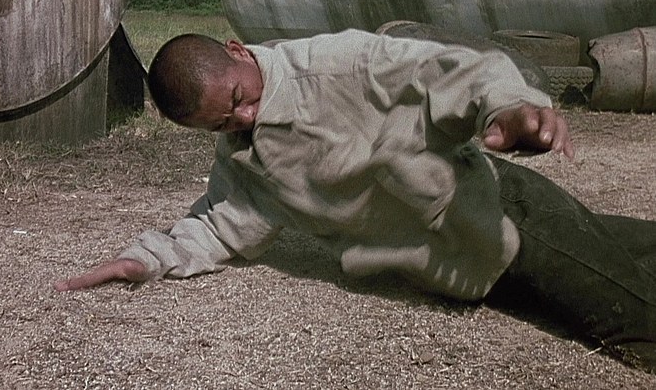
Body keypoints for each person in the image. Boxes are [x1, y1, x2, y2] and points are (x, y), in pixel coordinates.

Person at [53, 29, 655, 372]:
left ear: (237, 51)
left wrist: (508, 106)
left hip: (504, 219)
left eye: (239, 98)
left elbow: (448, 69)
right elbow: (219, 226)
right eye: (223, 122)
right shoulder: (243, 155)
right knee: (627, 250)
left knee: (635, 326)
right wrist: (147, 259)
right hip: (462, 267)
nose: (246, 118)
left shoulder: (338, 64)